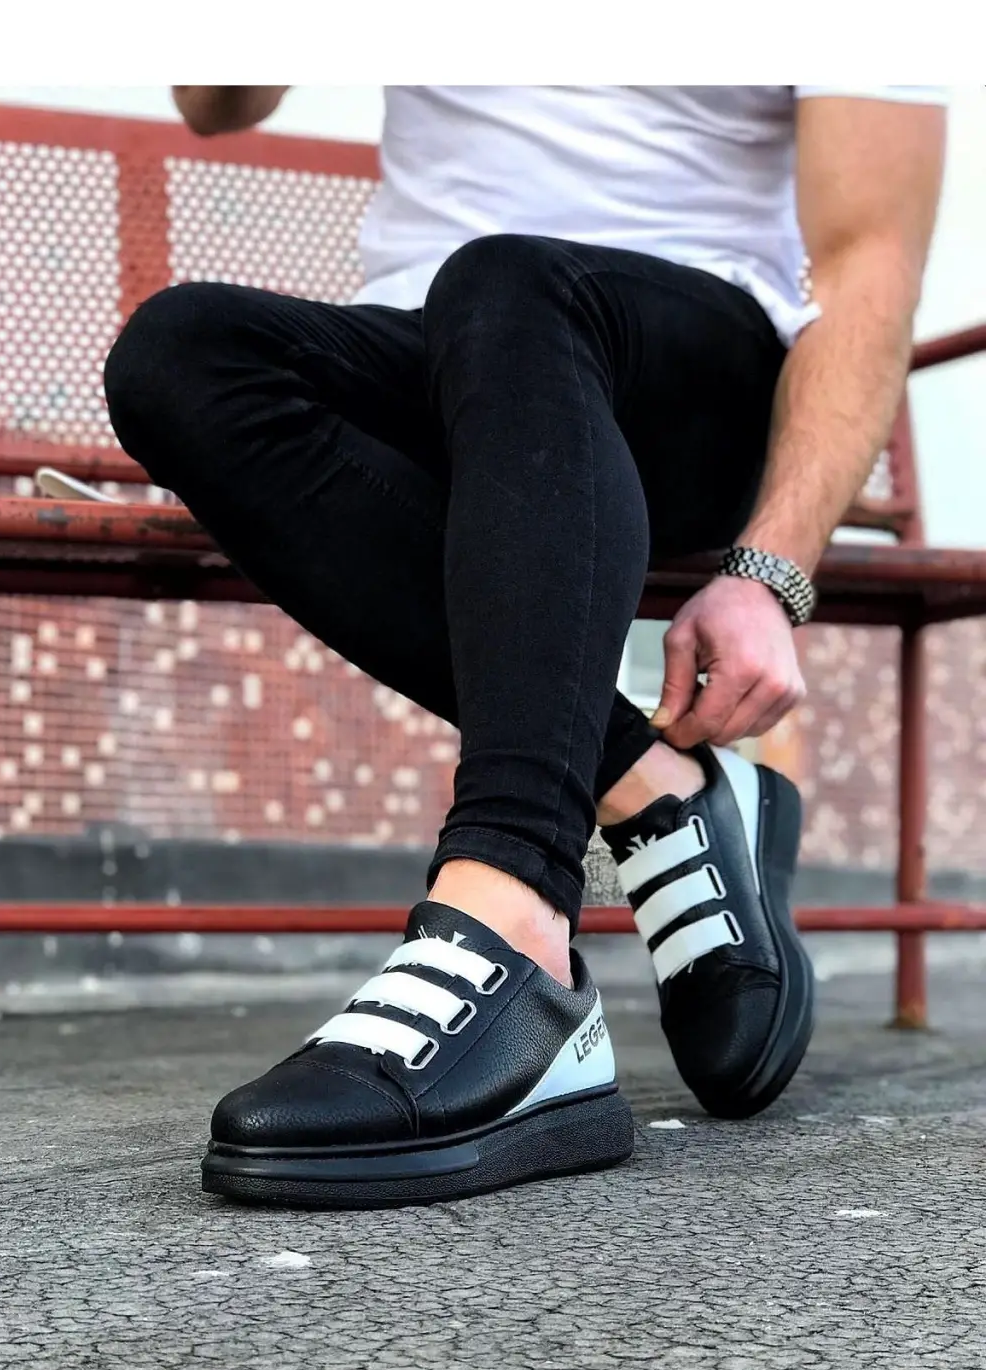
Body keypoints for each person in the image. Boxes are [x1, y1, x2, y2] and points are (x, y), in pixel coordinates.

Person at [104, 85, 945, 1209]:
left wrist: (769, 573)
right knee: (185, 352)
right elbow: (216, 103)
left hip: (692, 370)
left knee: (506, 279)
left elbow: (868, 254)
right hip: (443, 360)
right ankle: (657, 785)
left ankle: (515, 928)